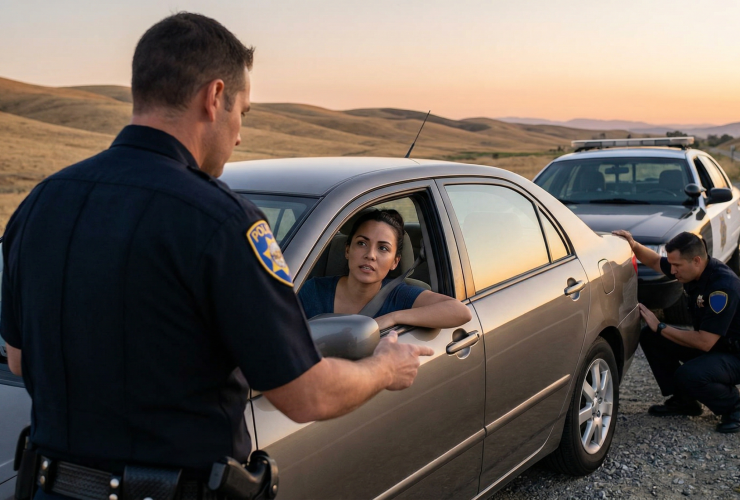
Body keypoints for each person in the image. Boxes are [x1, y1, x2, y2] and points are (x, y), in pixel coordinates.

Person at [0, 12, 433, 500]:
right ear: (213, 98)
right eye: (242, 112)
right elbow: (305, 393)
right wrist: (384, 368)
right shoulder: (223, 222)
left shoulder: (40, 204)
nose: (240, 134)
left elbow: (17, 359)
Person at [613, 230, 740, 433]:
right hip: (717, 345)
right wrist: (633, 245)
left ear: (696, 260)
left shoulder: (722, 288)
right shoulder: (692, 270)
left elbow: (704, 342)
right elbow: (655, 261)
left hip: (733, 355)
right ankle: (685, 401)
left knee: (688, 374)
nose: (672, 271)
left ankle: (734, 406)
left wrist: (662, 326)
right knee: (650, 337)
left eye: (677, 265)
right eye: (671, 264)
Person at [299, 209, 471, 330]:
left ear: (395, 262)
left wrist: (392, 318)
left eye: (383, 248)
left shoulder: (400, 296)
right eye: (361, 243)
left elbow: (460, 312)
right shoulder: (313, 291)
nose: (370, 255)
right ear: (347, 250)